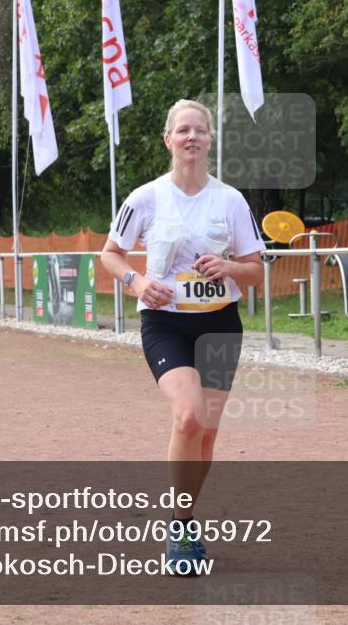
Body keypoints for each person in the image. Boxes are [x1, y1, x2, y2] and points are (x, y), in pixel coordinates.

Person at [100, 99, 265, 574]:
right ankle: (180, 528)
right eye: (183, 130)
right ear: (168, 139)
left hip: (219, 323)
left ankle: (186, 516)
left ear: (210, 139)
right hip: (165, 322)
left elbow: (256, 271)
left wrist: (230, 266)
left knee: (207, 432)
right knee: (189, 417)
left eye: (200, 130)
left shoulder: (230, 201)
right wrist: (135, 281)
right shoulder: (145, 198)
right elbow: (110, 254)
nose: (192, 137)